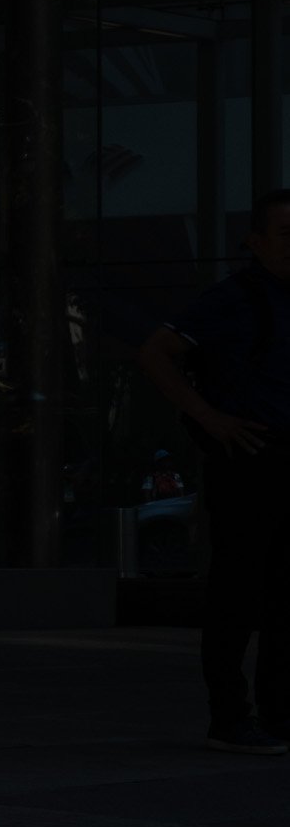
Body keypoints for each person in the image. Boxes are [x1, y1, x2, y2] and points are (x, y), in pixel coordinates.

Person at [138, 190, 290, 755]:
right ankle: (231, 715)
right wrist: (209, 417)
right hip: (250, 458)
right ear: (254, 240)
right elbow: (155, 351)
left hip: (281, 455)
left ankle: (277, 715)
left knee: (282, 595)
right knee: (238, 591)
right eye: (284, 232)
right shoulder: (235, 297)